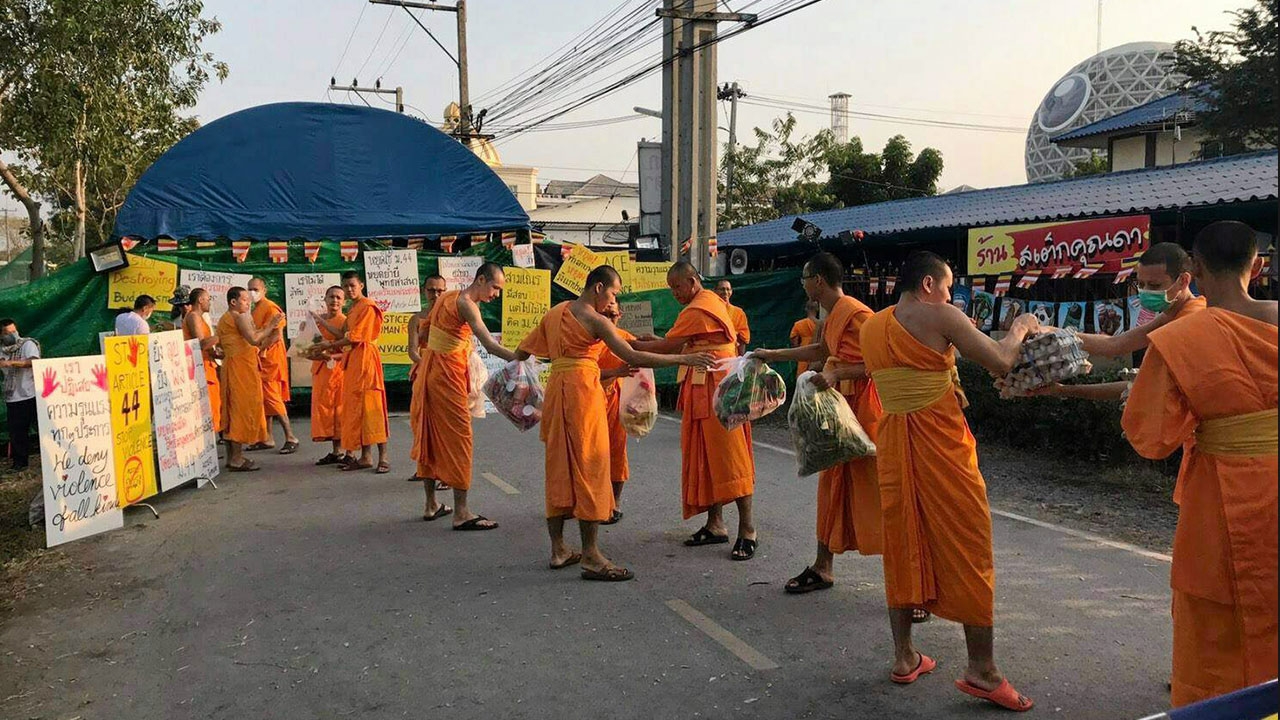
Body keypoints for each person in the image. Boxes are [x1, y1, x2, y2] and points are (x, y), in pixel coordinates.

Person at [859, 251, 1037, 711]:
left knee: (901, 541)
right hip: (941, 445)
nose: (950, 294)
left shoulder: (872, 326)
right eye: (946, 285)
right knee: (969, 543)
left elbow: (890, 373)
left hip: (894, 441)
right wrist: (1021, 328)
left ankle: (904, 657)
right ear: (926, 285)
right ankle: (982, 669)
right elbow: (1000, 360)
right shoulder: (941, 315)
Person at [1121, 221, 1277, 708]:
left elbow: (1151, 437)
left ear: (1198, 268)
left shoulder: (1185, 336)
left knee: (1214, 609)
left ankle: (1219, 709)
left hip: (1220, 493)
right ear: (1258, 265)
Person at [516, 265, 713, 581]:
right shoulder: (593, 320)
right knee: (591, 468)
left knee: (558, 468)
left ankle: (559, 549)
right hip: (582, 392)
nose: (613, 301)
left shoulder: (554, 314)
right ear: (598, 288)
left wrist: (486, 343)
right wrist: (683, 359)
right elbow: (634, 357)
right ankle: (591, 555)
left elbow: (519, 352)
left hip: (556, 391)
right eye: (613, 293)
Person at [751, 253, 895, 601]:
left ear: (817, 280)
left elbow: (879, 362)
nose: (802, 284)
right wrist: (771, 354)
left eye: (804, 278)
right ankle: (822, 565)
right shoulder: (833, 315)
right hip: (835, 412)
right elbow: (822, 349)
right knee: (831, 489)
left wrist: (836, 373)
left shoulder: (857, 313)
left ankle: (906, 581)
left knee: (879, 494)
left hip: (863, 410)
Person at [631, 262, 758, 560]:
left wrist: (625, 341)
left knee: (732, 456)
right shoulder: (705, 303)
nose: (674, 293)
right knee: (705, 454)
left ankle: (748, 529)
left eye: (676, 287)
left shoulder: (700, 307)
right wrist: (660, 343)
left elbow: (670, 346)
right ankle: (716, 524)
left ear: (691, 281)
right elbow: (682, 343)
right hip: (705, 380)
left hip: (718, 385)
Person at [413, 263, 516, 529]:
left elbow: (424, 333)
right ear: (481, 280)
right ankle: (461, 513)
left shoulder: (447, 298)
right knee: (460, 440)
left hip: (431, 370)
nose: (496, 294)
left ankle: (431, 504)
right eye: (495, 287)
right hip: (447, 376)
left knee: (431, 435)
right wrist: (522, 358)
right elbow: (490, 345)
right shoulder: (466, 303)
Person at [1035, 243, 1206, 402]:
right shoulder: (1170, 316)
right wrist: (1050, 332)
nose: (1146, 292)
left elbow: (1146, 386)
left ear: (1183, 281)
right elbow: (1114, 344)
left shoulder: (1190, 322)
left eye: (1154, 285)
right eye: (1141, 284)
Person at [314, 271, 390, 473]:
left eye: (352, 285)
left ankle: (383, 458)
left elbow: (354, 338)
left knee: (372, 408)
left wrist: (329, 344)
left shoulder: (367, 306)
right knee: (357, 410)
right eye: (345, 286)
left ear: (361, 285)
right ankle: (365, 457)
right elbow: (343, 333)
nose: (349, 290)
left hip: (366, 361)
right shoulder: (354, 308)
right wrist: (321, 324)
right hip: (353, 362)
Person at [217, 287, 281, 472]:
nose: (248, 303)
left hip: (233, 364)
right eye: (245, 300)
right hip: (241, 367)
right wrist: (271, 324)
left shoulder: (226, 318)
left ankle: (233, 457)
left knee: (232, 408)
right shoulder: (238, 316)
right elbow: (253, 339)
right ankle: (236, 458)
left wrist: (265, 331)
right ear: (233, 302)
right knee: (240, 409)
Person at [247, 277, 299, 454]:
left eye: (255, 289)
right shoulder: (256, 309)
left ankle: (291, 436)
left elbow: (276, 335)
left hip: (271, 358)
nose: (252, 292)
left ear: (264, 289)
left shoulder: (270, 307)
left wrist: (260, 348)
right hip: (261, 358)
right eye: (249, 289)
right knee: (263, 398)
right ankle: (267, 437)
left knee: (272, 397)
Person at [597, 299, 637, 525]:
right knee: (589, 453)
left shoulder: (625, 337)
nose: (609, 321)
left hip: (616, 399)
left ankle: (615, 502)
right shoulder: (590, 339)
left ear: (619, 315)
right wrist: (616, 371)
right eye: (604, 316)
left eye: (613, 316)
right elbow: (585, 371)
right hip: (591, 398)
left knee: (617, 451)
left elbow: (643, 356)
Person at [408, 274, 449, 488]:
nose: (436, 295)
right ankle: (426, 467)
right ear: (424, 291)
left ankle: (445, 472)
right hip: (423, 370)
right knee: (420, 421)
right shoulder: (417, 318)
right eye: (431, 290)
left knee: (442, 424)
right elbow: (412, 350)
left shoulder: (451, 316)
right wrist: (425, 363)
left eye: (440, 291)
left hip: (445, 373)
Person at [310, 286, 349, 466]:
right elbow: (307, 348)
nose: (334, 301)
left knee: (340, 411)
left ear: (344, 302)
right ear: (324, 300)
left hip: (339, 371)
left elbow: (349, 350)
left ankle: (346, 450)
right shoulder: (317, 322)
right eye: (331, 297)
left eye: (338, 298)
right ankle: (336, 451)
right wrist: (315, 353)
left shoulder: (345, 322)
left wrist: (330, 355)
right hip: (321, 371)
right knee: (326, 411)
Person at [181, 289, 223, 434]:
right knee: (208, 408)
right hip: (200, 367)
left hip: (207, 363)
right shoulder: (193, 316)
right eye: (208, 299)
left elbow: (207, 347)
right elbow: (201, 344)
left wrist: (217, 354)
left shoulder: (201, 317)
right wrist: (222, 335)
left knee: (214, 406)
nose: (209, 302)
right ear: (200, 300)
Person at [0, 319, 40, 470]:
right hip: (13, 396)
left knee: (43, 430)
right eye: (8, 333)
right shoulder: (2, 349)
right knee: (17, 433)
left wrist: (12, 363)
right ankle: (20, 463)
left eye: (14, 331)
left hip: (31, 394)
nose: (12, 335)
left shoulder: (27, 344)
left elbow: (33, 361)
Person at [714, 279, 751, 355]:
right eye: (722, 289)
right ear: (715, 291)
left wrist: (740, 360)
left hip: (731, 356)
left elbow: (742, 339)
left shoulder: (738, 312)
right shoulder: (709, 310)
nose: (725, 292)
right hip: (711, 355)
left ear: (731, 292)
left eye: (728, 289)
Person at [789, 301, 820, 374]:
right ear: (817, 309)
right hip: (817, 352)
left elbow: (794, 343)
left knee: (802, 376)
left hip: (804, 352)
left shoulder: (798, 324)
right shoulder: (820, 324)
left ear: (806, 309)